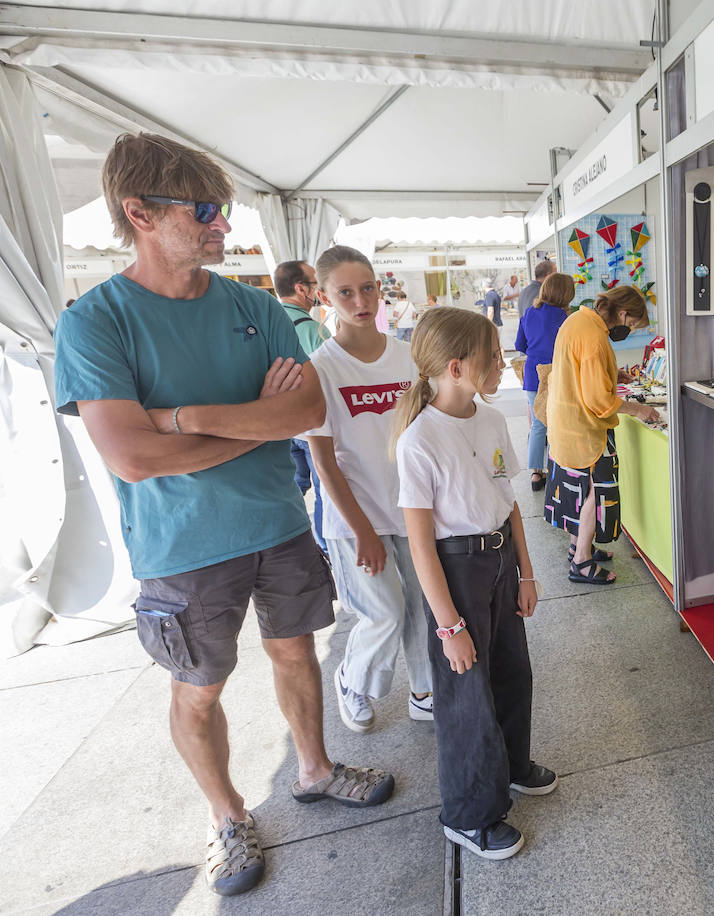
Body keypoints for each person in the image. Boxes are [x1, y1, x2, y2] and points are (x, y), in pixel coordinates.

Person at [53, 132, 393, 898]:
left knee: (298, 653)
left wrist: (181, 418)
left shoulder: (252, 306)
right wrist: (253, 420)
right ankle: (227, 815)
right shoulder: (97, 322)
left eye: (225, 210)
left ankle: (314, 768)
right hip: (181, 547)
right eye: (204, 210)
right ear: (138, 213)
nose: (223, 227)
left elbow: (305, 409)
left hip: (278, 524)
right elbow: (131, 459)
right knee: (198, 687)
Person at [394, 307, 557, 860]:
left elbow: (509, 502)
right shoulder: (419, 440)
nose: (503, 364)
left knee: (513, 669)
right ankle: (469, 814)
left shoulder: (489, 419)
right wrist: (449, 626)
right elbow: (420, 545)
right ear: (458, 367)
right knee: (465, 695)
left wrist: (526, 572)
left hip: (500, 560)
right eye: (493, 357)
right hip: (456, 572)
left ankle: (513, 764)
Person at [304, 246, 434, 734]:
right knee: (383, 613)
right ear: (323, 297)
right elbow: (322, 460)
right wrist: (361, 530)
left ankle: (424, 691)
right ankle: (352, 680)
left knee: (423, 604)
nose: (360, 300)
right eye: (345, 292)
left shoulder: (408, 357)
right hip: (354, 515)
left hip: (411, 508)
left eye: (367, 288)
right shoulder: (320, 369)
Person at [544, 285, 659, 584]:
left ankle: (578, 548)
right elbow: (599, 402)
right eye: (631, 324)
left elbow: (577, 370)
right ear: (622, 313)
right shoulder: (595, 338)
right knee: (594, 492)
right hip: (585, 428)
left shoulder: (577, 321)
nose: (629, 330)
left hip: (565, 420)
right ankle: (581, 563)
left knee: (578, 490)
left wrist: (612, 375)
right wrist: (637, 409)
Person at [274, 258, 330, 554]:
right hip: (313, 427)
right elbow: (333, 379)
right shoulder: (311, 330)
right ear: (301, 289)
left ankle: (287, 547)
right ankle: (325, 549)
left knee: (289, 489)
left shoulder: (266, 321)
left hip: (279, 425)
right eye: (315, 285)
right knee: (325, 491)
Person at [514, 272, 573, 492]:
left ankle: (536, 472)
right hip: (556, 375)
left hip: (532, 375)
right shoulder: (564, 317)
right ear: (565, 294)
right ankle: (561, 468)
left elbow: (520, 344)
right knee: (559, 421)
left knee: (538, 424)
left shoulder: (530, 312)